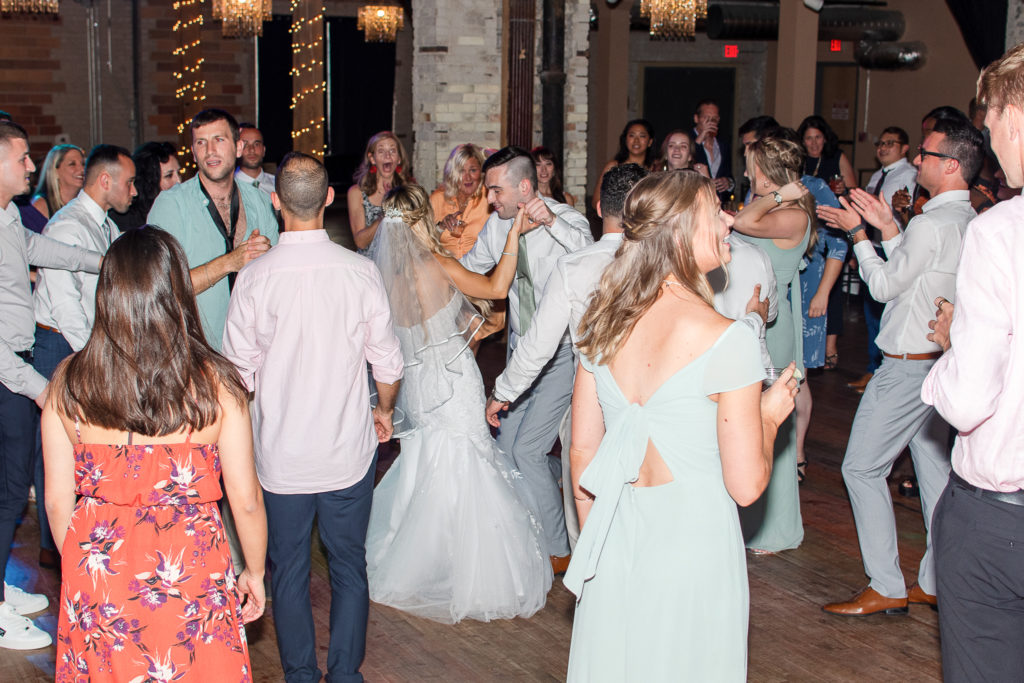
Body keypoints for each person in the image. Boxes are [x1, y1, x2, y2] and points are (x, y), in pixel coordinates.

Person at [563, 171, 798, 681]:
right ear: (684, 231)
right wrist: (770, 417)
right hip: (694, 547)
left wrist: (592, 537)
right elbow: (747, 485)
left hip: (613, 535)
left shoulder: (600, 323)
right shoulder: (727, 339)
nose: (731, 219)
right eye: (718, 211)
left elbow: (582, 452)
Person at [41, 226, 267, 680]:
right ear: (177, 292)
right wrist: (255, 572)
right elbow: (245, 499)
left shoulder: (68, 382)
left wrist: (82, 565)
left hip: (98, 570)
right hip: (189, 569)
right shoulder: (217, 384)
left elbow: (56, 501)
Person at [222, 152, 403, 682]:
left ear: (276, 202)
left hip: (280, 457)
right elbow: (387, 361)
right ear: (329, 200)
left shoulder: (254, 279)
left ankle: (300, 675)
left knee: (289, 571)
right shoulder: (360, 273)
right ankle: (345, 675)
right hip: (346, 450)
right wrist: (385, 409)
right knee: (349, 566)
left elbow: (237, 376)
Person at [364, 184, 552, 623]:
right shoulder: (439, 265)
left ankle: (421, 561)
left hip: (419, 388)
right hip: (455, 382)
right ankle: (471, 572)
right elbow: (497, 286)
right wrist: (513, 233)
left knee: (426, 464)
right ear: (420, 222)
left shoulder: (385, 279)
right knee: (468, 464)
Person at [817, 116, 982, 617]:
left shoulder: (933, 222)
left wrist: (860, 235)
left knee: (861, 468)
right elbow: (916, 272)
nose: (916, 160)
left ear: (950, 165)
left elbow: (886, 286)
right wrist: (889, 229)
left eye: (926, 154)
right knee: (933, 476)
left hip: (908, 366)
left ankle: (886, 584)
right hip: (938, 363)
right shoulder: (966, 218)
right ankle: (933, 581)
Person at [922, 43, 1024, 681]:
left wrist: (951, 347)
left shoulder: (1001, 232)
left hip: (1000, 522)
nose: (990, 142)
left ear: (1015, 111)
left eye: (990, 126)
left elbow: (965, 401)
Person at [485, 163, 649, 552]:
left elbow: (539, 344)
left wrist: (503, 391)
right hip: (653, 400)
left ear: (597, 207)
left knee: (586, 496)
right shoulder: (666, 263)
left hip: (594, 400)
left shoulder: (576, 266)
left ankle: (587, 578)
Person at [461, 146, 593, 571]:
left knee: (530, 451)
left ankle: (558, 550)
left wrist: (551, 221)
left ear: (524, 187)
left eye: (495, 190)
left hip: (561, 356)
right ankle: (526, 529)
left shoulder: (566, 220)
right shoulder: (497, 225)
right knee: (502, 444)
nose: (490, 199)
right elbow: (469, 269)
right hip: (521, 354)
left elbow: (591, 252)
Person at [0, 120, 103, 651]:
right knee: (9, 492)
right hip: (9, 375)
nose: (28, 166)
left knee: (12, 489)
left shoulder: (10, 217)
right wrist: (37, 386)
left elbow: (49, 252)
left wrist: (107, 260)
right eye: (20, 158)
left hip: (15, 371)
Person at [31, 144, 136, 572]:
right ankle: (52, 549)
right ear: (106, 181)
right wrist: (93, 360)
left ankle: (82, 537)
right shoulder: (65, 228)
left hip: (88, 345)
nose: (134, 191)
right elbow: (67, 307)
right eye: (128, 182)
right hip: (61, 345)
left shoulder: (105, 225)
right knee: (57, 450)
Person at [732, 135, 815, 553]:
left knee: (773, 428)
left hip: (772, 329)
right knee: (749, 422)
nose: (747, 174)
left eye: (752, 167)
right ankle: (749, 519)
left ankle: (777, 529)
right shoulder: (776, 208)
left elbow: (742, 224)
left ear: (767, 173)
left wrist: (779, 194)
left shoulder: (793, 215)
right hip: (753, 321)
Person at [147, 108, 277, 352]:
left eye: (219, 140)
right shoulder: (170, 205)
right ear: (194, 152)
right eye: (201, 143)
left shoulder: (260, 202)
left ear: (238, 148)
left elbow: (276, 276)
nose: (210, 151)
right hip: (194, 353)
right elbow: (160, 287)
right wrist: (230, 262)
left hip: (253, 351)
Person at [847, 126, 920, 394]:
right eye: (881, 142)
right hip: (873, 246)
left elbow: (911, 212)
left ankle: (882, 369)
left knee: (887, 312)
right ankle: (873, 366)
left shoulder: (911, 175)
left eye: (891, 143)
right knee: (871, 311)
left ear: (904, 148)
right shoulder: (878, 175)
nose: (883, 147)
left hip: (896, 247)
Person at [347, 131, 412, 252]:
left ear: (399, 159)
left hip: (400, 263)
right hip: (370, 265)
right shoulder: (357, 193)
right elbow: (360, 242)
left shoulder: (409, 191)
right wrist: (385, 215)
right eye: (381, 151)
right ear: (372, 158)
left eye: (392, 151)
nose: (387, 156)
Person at [110, 141, 181, 232]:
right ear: (149, 180)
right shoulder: (124, 219)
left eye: (179, 173)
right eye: (168, 176)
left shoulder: (181, 210)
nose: (178, 181)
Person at [592, 119, 656, 209]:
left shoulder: (657, 168)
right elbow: (596, 201)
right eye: (632, 135)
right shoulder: (613, 166)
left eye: (642, 136)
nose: (636, 140)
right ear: (625, 139)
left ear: (650, 142)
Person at [798, 115, 857, 193]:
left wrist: (844, 190)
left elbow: (853, 192)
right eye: (809, 138)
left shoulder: (837, 157)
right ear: (803, 142)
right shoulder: (797, 159)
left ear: (825, 139)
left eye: (818, 137)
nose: (814, 143)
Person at [692, 99, 735, 202]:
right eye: (706, 118)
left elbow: (729, 174)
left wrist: (729, 183)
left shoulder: (723, 146)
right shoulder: (687, 141)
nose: (711, 122)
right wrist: (701, 137)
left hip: (718, 204)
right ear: (696, 118)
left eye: (714, 118)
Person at [30, 144, 85, 221]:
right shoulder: (41, 205)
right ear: (55, 171)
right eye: (72, 164)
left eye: (83, 164)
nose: (82, 169)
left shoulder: (83, 203)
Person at [235, 122, 275, 198]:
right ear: (237, 149)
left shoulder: (278, 186)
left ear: (263, 150)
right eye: (245, 144)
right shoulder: (228, 187)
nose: (252, 150)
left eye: (256, 144)